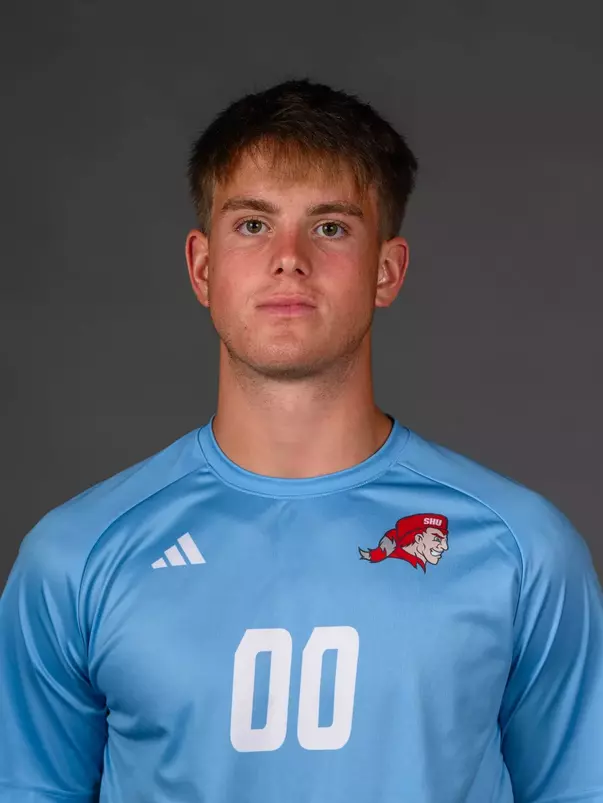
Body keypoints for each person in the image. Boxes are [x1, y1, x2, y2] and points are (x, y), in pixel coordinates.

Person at [0, 78, 602, 803]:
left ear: (386, 271)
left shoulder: (521, 551)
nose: (289, 258)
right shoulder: (76, 558)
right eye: (253, 224)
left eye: (331, 227)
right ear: (202, 267)